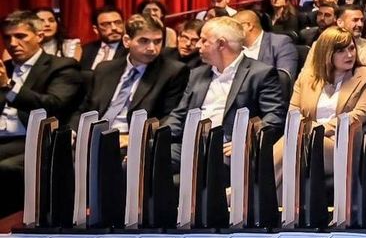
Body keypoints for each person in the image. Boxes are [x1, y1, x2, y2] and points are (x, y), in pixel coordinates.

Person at [163, 17, 288, 167]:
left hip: (228, 148)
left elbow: (274, 116)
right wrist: (157, 139)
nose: (197, 45)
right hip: (191, 145)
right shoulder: (197, 74)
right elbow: (179, 114)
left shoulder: (260, 74)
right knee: (145, 156)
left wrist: (247, 139)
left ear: (221, 44)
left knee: (215, 165)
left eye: (204, 41)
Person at [272, 25, 366, 188]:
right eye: (341, 51)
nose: (349, 55)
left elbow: (358, 115)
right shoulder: (307, 77)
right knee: (291, 158)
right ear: (326, 52)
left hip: (342, 146)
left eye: (351, 48)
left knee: (293, 142)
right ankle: (277, 211)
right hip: (306, 140)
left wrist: (315, 129)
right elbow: (293, 113)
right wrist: (311, 130)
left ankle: (245, 192)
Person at [0, 11, 85, 213]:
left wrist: (8, 86)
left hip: (34, 137)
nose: (12, 43)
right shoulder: (7, 67)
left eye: (20, 36)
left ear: (39, 36)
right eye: (7, 38)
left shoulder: (61, 66)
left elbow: (53, 104)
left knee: (5, 168)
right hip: (4, 137)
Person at [75, 14, 188, 142]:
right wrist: (73, 133)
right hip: (94, 135)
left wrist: (135, 140)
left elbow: (169, 118)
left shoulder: (173, 71)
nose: (152, 48)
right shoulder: (105, 69)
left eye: (157, 41)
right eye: (144, 41)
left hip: (131, 140)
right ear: (127, 41)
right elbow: (85, 109)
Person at [233, 9, 299, 79]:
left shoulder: (280, 43)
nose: (232, 31)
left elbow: (283, 79)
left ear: (249, 26)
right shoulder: (234, 47)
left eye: (235, 26)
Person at [80, 6, 127, 70]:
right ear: (96, 29)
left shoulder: (130, 49)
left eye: (118, 23)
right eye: (106, 24)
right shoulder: (86, 50)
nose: (114, 28)